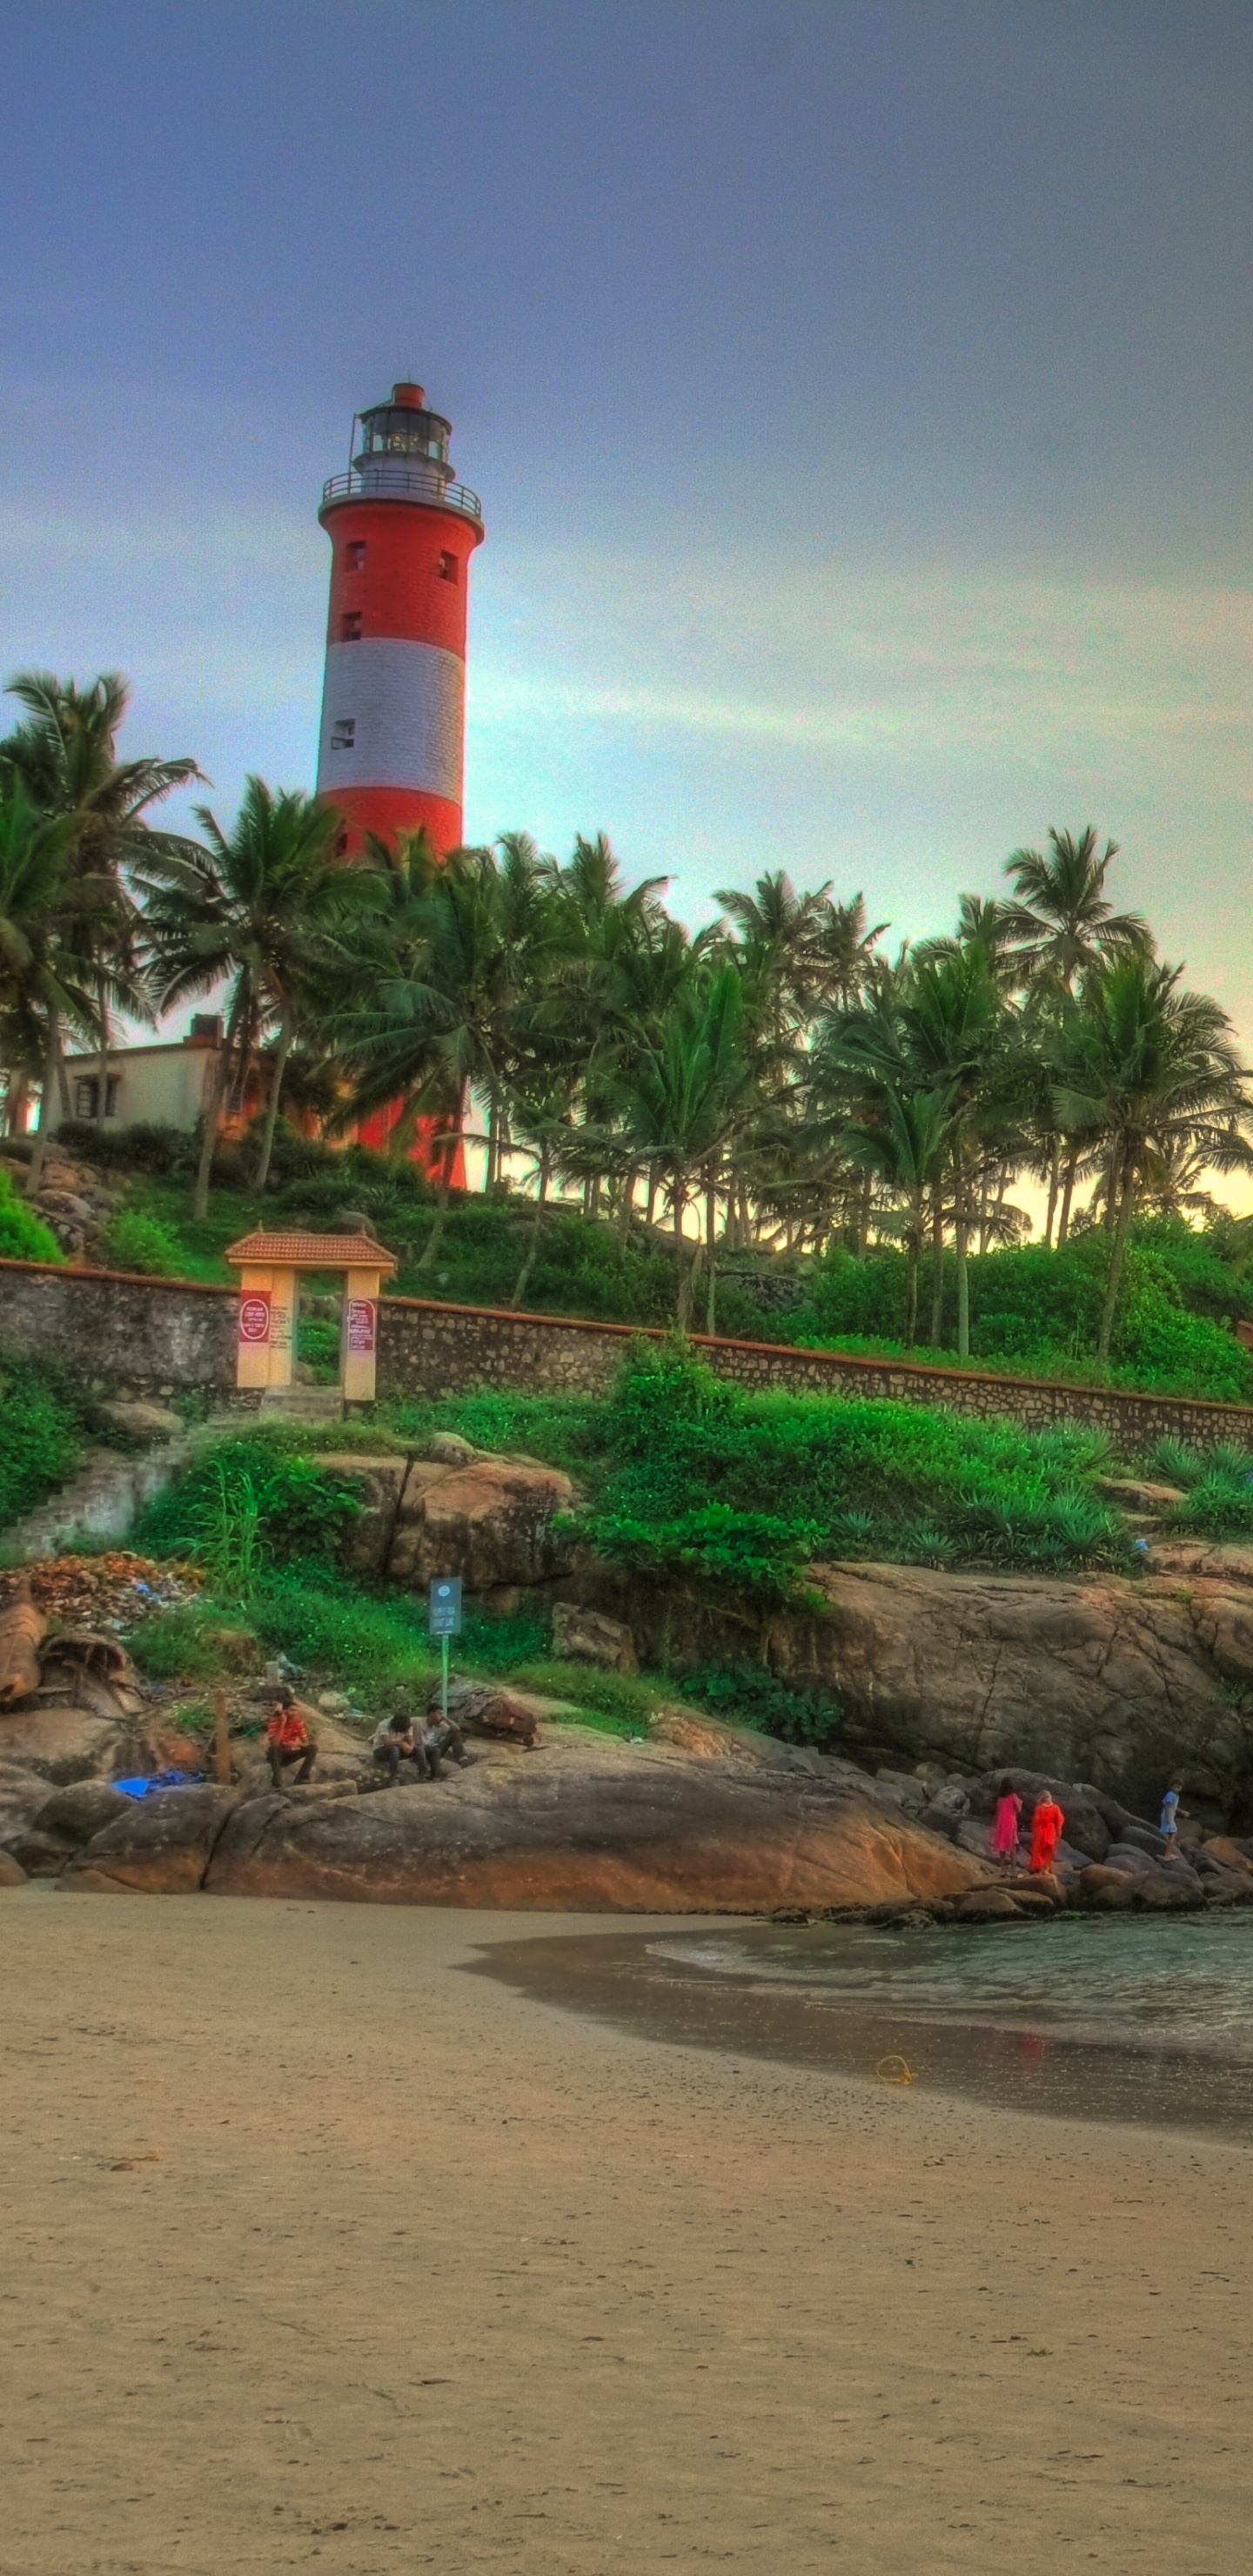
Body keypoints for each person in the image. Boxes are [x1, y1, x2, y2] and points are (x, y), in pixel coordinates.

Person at [265, 1686, 317, 1788]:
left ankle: (302, 1778)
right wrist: (283, 1723)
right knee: (274, 1748)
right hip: (277, 1756)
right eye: (292, 1710)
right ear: (284, 1711)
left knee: (313, 1748)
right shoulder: (275, 1722)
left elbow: (305, 1742)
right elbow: (275, 1743)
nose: (295, 1713)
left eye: (296, 1711)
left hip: (289, 1754)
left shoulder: (298, 1723)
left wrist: (296, 1745)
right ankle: (277, 1783)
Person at [372, 1711, 432, 1785]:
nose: (404, 1732)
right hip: (381, 1750)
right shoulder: (384, 1724)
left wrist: (410, 1747)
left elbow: (411, 1740)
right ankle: (393, 1776)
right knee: (394, 1749)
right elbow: (386, 1742)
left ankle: (422, 1775)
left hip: (397, 1750)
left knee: (418, 1749)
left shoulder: (408, 1725)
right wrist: (401, 1743)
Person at [1029, 1787, 1065, 1875]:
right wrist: (1059, 1831)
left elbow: (1035, 1821)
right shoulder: (1055, 1808)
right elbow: (1060, 1820)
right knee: (1050, 1850)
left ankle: (1041, 1867)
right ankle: (1046, 1868)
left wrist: (1034, 1831)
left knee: (1039, 1850)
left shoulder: (1039, 1808)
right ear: (1048, 1798)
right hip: (1050, 1830)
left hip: (1040, 1831)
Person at [988, 1778, 1022, 1869]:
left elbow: (998, 1811)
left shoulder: (1000, 1798)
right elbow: (1018, 1809)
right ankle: (1013, 1869)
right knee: (1013, 1846)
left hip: (1001, 1822)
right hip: (1011, 1822)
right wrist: (1021, 1803)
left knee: (1002, 1845)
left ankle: (1002, 1869)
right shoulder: (1013, 1796)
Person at [1160, 1779, 1187, 1857]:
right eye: (1175, 1786)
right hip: (1168, 1816)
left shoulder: (1175, 1796)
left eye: (1179, 1786)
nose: (1177, 1787)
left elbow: (1173, 1806)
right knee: (1173, 1834)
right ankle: (1168, 1855)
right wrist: (1168, 1818)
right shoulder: (1171, 1795)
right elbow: (1167, 1806)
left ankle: (1170, 1852)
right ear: (1172, 1787)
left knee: (1174, 1834)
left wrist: (1183, 1812)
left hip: (1168, 1816)